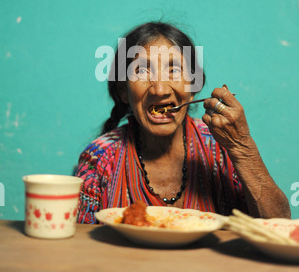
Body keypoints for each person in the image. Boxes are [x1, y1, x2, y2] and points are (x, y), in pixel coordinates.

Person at [75, 21, 291, 223]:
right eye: (142, 71)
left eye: (174, 70)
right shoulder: (100, 158)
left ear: (192, 87)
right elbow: (80, 247)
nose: (160, 89)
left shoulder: (220, 147)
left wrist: (242, 148)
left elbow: (279, 226)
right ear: (123, 91)